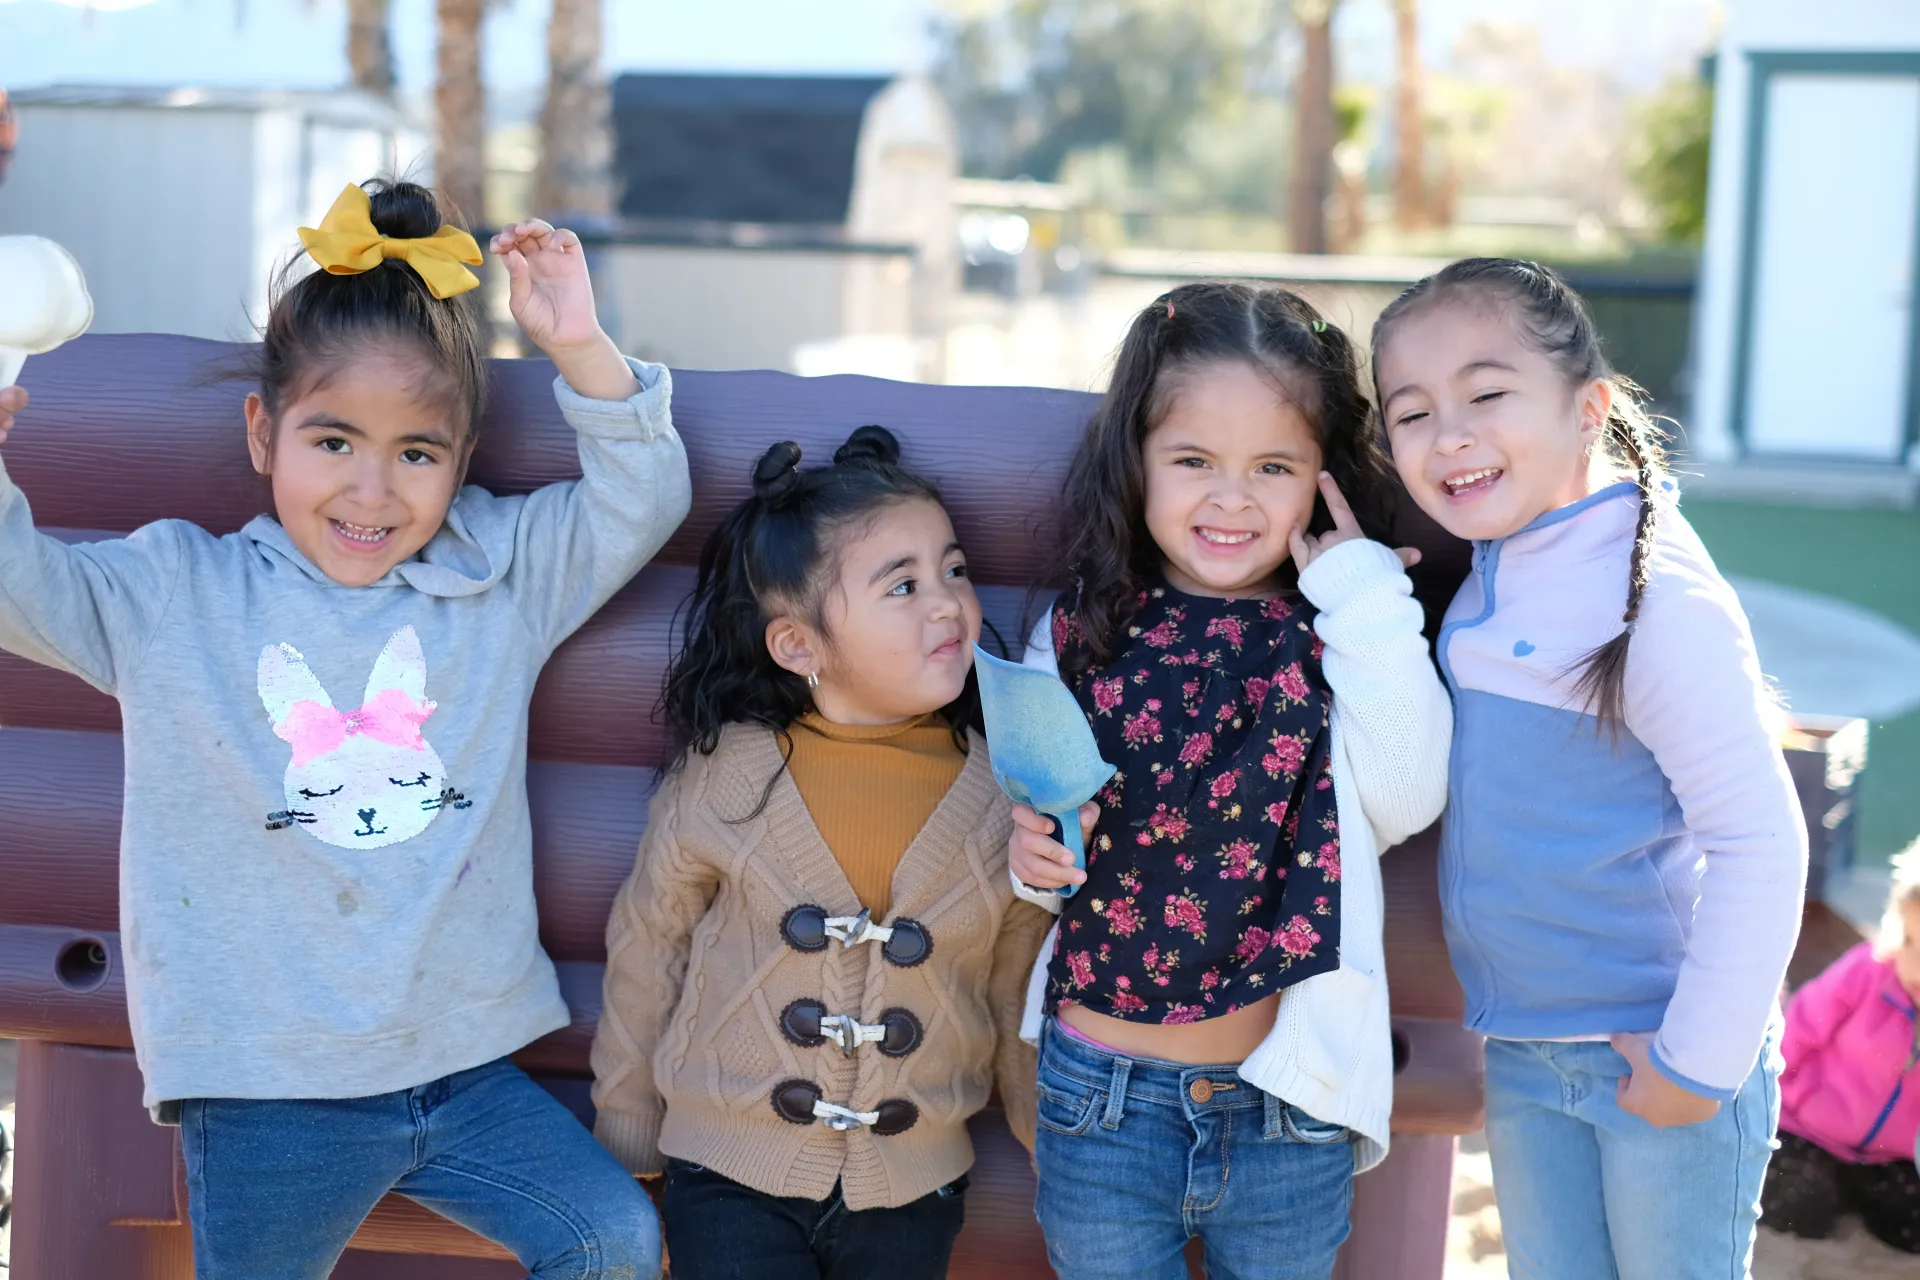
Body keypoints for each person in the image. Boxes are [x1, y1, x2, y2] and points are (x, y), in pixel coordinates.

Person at [0, 178, 687, 1279]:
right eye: (334, 441)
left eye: (418, 452)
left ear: (461, 464)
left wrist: (580, 344)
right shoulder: (179, 592)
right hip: (269, 1092)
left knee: (610, 1237)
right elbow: (19, 588)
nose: (373, 489)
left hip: (462, 1070)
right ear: (263, 431)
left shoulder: (495, 574)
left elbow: (641, 496)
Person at [1005, 281, 1452, 1280]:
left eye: (1274, 466)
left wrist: (1365, 590)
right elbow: (1045, 851)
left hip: (1285, 1105)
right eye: (1194, 459)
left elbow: (1406, 791)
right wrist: (1034, 852)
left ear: (1322, 479)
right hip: (1101, 1097)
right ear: (1137, 461)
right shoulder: (1078, 631)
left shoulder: (1333, 628)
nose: (1231, 497)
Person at [1369, 257, 1806, 1279]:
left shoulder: (1654, 601)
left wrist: (1697, 1065)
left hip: (1658, 1045)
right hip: (1526, 1051)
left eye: (1486, 393)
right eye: (1412, 411)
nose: (1450, 433)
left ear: (1587, 409)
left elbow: (1761, 840)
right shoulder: (1496, 564)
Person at [590, 427, 1054, 1280]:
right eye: (902, 586)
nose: (947, 602)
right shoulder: (728, 776)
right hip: (726, 1173)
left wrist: (1043, 1132)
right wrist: (628, 1120)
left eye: (954, 570)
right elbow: (650, 943)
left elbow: (1016, 980)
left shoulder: (1003, 794)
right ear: (798, 645)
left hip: (911, 1190)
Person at [1762, 841, 1920, 1253]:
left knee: (1911, 1231)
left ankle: (1854, 1195)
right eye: (1908, 941)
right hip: (1808, 1131)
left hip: (1889, 1157)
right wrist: (1764, 1097)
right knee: (1798, 1210)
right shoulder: (1865, 973)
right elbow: (1796, 1033)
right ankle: (1828, 1192)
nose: (1915, 964)